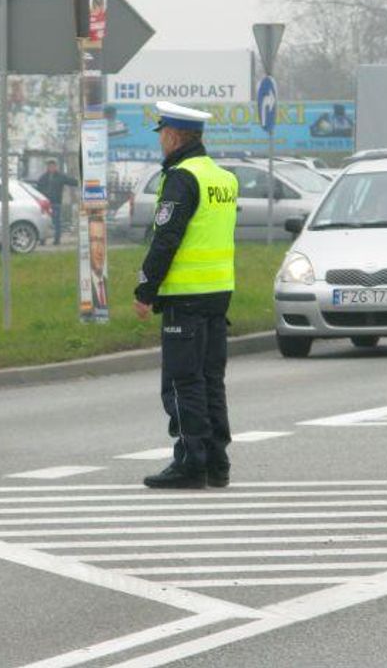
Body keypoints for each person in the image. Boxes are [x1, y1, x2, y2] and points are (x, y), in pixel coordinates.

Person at [134, 101, 238, 490]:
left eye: (162, 133)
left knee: (182, 381)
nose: (161, 140)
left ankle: (190, 461)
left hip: (186, 295)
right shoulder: (222, 177)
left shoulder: (181, 178)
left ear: (174, 135)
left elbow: (167, 238)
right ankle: (217, 461)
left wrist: (146, 288)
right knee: (211, 379)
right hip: (218, 292)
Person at [35, 158, 78, 246]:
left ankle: (57, 240)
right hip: (45, 204)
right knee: (45, 221)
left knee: (57, 221)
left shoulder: (60, 176)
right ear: (47, 167)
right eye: (49, 166)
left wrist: (81, 181)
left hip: (56, 202)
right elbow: (38, 189)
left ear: (56, 167)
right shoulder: (43, 177)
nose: (51, 167)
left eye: (53, 166)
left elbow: (72, 181)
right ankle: (43, 240)